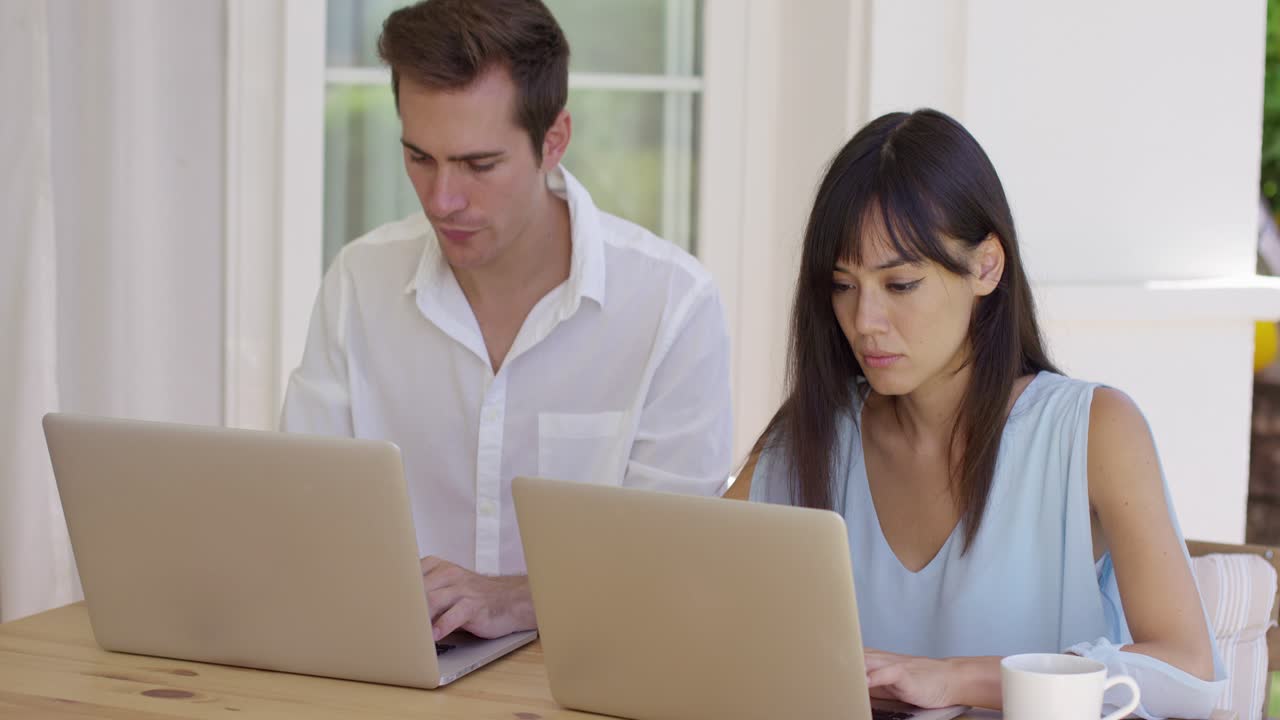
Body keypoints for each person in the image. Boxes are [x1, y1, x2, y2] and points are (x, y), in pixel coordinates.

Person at [731, 109, 1224, 719]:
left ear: (986, 266)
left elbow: (1190, 672)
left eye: (901, 284)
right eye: (843, 285)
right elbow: (684, 612)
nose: (864, 321)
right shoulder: (806, 439)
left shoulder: (1093, 431)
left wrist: (955, 679)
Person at [282, 0, 731, 645]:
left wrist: (517, 597)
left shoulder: (672, 305)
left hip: (594, 678)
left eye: (478, 165)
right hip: (391, 677)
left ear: (554, 141)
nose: (442, 200)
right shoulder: (361, 281)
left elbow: (676, 563)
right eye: (419, 157)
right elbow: (303, 515)